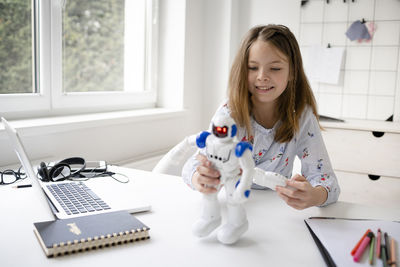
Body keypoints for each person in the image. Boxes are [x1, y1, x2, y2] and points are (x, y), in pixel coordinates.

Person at [182, 24, 340, 211]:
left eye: (275, 68)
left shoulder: (302, 117)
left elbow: (326, 180)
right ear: (242, 70)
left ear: (292, 72)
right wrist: (200, 178)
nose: (262, 76)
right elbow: (191, 166)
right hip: (233, 205)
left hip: (277, 210)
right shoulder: (229, 113)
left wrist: (314, 195)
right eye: (252, 67)